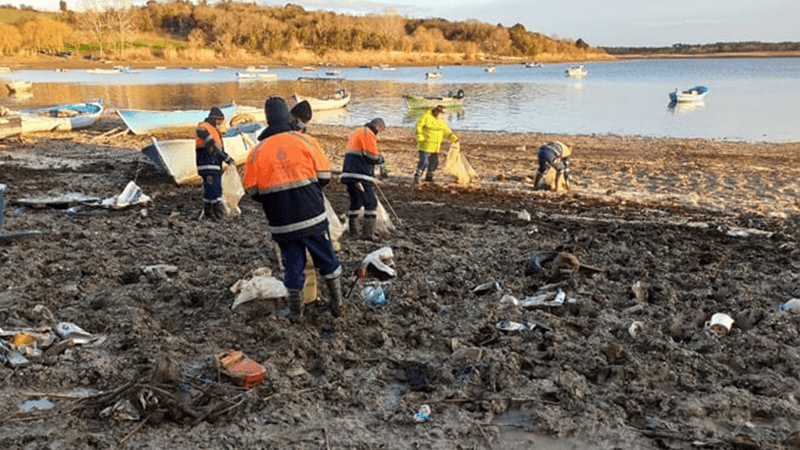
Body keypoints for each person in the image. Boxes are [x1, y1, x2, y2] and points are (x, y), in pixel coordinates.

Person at [243, 97, 343, 319]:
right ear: (288, 116)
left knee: (292, 264)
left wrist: (276, 199)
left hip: (282, 223)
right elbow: (325, 176)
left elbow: (253, 192)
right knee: (327, 259)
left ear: (268, 120)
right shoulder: (305, 142)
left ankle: (296, 311)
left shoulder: (257, 152)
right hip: (313, 217)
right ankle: (337, 304)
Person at [340, 118, 386, 240]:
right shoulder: (368, 134)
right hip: (360, 175)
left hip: (348, 174)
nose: (379, 133)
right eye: (380, 130)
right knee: (371, 203)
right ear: (377, 127)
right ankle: (367, 234)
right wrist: (380, 159)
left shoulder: (357, 132)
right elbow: (372, 155)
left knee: (356, 202)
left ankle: (354, 232)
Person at [196, 106, 235, 220]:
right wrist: (226, 158)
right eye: (221, 121)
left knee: (210, 189)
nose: (221, 124)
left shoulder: (210, 129)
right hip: (209, 165)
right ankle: (216, 213)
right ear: (216, 119)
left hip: (210, 165)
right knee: (214, 189)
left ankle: (209, 212)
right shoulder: (204, 128)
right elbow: (213, 146)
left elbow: (215, 147)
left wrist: (225, 157)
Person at [413, 104, 458, 184]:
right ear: (436, 111)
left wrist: (452, 137)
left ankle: (429, 177)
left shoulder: (442, 121)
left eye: (442, 114)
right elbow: (418, 127)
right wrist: (419, 136)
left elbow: (447, 131)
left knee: (434, 163)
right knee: (424, 162)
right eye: (440, 113)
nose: (441, 115)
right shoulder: (426, 116)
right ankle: (417, 176)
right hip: (425, 144)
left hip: (436, 146)